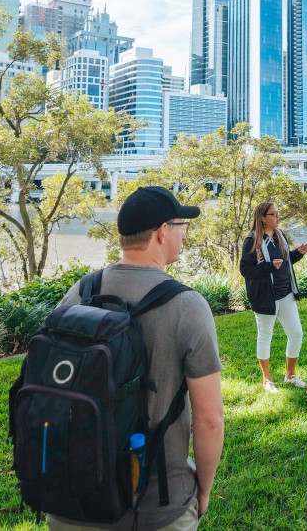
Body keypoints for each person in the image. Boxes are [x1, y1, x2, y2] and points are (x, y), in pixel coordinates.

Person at [50, 185, 224, 531]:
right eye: (180, 226)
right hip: (154, 510)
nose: (184, 234)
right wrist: (203, 491)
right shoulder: (187, 306)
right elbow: (209, 420)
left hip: (72, 499)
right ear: (162, 232)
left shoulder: (81, 291)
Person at [239, 200, 307, 393]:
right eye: (274, 214)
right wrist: (269, 266)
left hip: (285, 293)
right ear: (263, 218)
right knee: (265, 337)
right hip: (265, 297)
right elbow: (245, 270)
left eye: (277, 213)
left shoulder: (279, 235)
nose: (278, 216)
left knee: (296, 333)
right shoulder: (252, 240)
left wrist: (298, 253)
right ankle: (267, 380)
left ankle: (290, 376)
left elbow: (284, 261)